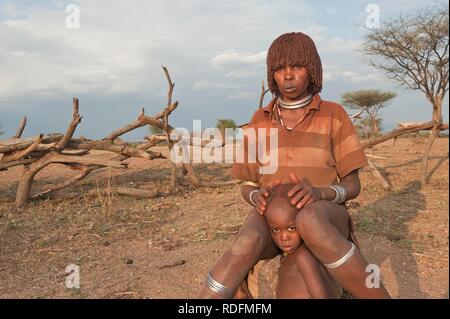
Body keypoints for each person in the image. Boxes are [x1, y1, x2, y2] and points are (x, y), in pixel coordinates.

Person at [198, 32, 390, 299]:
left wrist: (320, 193)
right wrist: (257, 196)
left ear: (312, 70)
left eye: (297, 67)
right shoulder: (260, 119)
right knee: (246, 241)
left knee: (308, 219)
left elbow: (352, 185)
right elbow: (247, 186)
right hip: (275, 218)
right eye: (279, 68)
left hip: (323, 215)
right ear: (271, 75)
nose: (288, 75)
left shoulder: (333, 115)